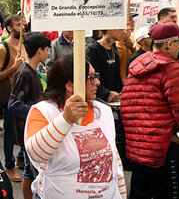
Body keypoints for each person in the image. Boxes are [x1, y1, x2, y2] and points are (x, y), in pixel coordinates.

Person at [121, 22, 179, 198]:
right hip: (161, 151)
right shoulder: (173, 69)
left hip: (138, 150)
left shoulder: (136, 66)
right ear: (169, 44)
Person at [24, 54, 127, 198]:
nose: (97, 82)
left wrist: (122, 194)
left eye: (96, 75)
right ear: (70, 85)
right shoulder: (44, 111)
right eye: (91, 77)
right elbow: (37, 153)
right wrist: (65, 120)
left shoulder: (103, 111)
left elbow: (115, 163)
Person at [8, 32, 50, 199]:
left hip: (32, 129)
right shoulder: (24, 72)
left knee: (29, 171)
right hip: (29, 130)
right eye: (47, 50)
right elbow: (13, 103)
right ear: (39, 50)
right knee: (35, 172)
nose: (48, 53)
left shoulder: (33, 70)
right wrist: (36, 113)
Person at [0, 14, 25, 182]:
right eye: (19, 25)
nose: (22, 28)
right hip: (10, 98)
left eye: (23, 24)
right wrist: (14, 66)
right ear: (10, 28)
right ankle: (9, 166)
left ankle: (20, 158)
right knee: (10, 134)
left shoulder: (24, 45)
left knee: (26, 131)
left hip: (24, 96)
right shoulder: (2, 49)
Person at [86, 29, 124, 102]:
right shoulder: (92, 50)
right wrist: (106, 93)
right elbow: (90, 78)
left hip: (115, 100)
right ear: (110, 30)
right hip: (98, 100)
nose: (123, 32)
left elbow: (117, 77)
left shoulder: (114, 48)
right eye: (121, 29)